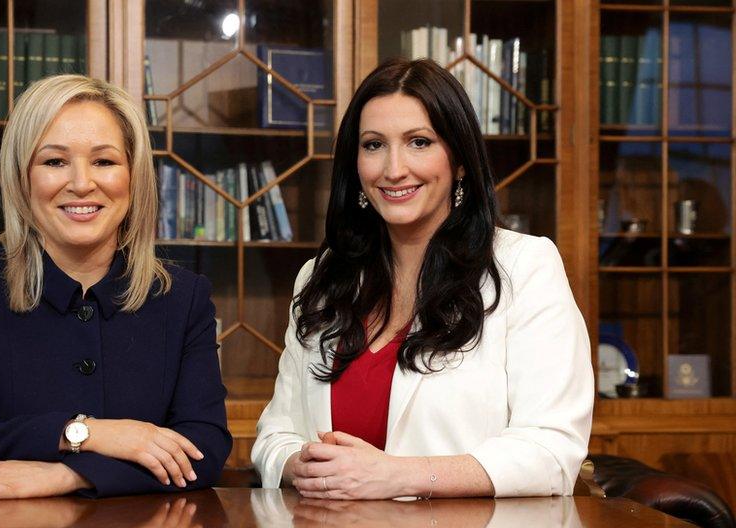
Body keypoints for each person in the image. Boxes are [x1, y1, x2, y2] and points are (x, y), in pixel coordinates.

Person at [251, 58, 593, 499]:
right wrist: (298, 464)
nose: (393, 169)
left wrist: (397, 475)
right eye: (373, 145)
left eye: (419, 142)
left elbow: (552, 450)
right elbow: (273, 436)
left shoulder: (525, 267)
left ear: (461, 161)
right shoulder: (320, 279)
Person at [0, 74, 232, 499]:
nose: (80, 183)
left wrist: (67, 475)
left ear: (133, 176)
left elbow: (203, 452)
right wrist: (85, 434)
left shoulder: (182, 297)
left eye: (104, 162)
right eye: (54, 161)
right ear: (23, 178)